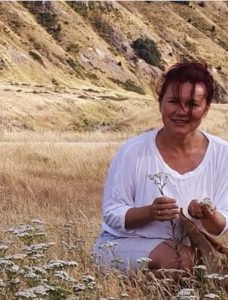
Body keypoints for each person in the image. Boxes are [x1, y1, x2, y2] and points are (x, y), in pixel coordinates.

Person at [93, 61, 228, 274]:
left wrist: (206, 214)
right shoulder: (133, 151)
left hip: (191, 250)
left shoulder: (223, 154)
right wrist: (150, 212)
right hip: (121, 246)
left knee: (201, 264)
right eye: (174, 101)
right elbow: (112, 214)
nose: (182, 111)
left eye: (192, 104)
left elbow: (220, 226)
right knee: (187, 262)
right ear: (161, 103)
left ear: (206, 109)